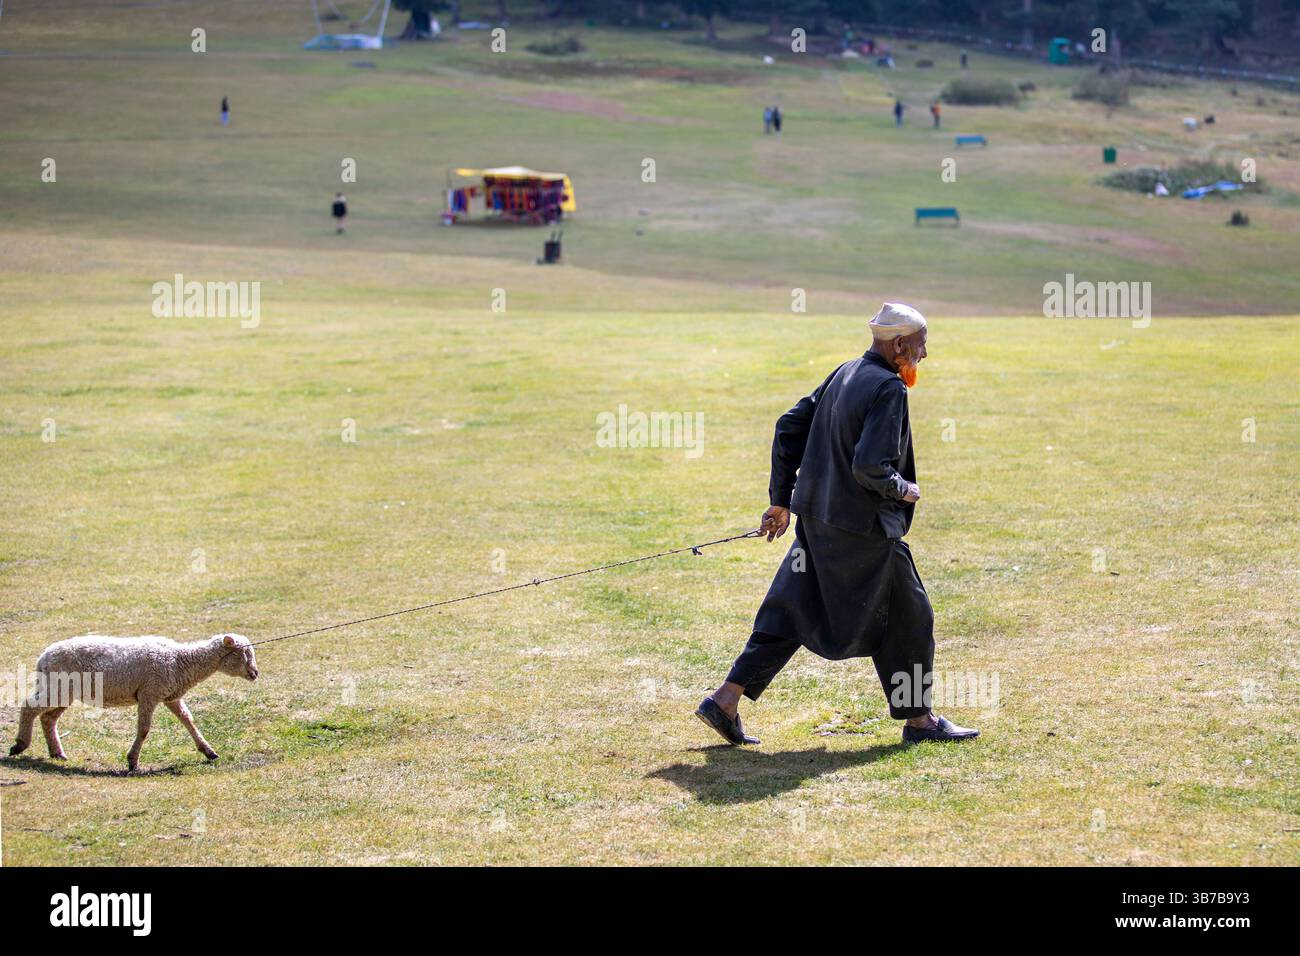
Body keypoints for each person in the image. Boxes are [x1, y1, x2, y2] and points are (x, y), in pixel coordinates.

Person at [695, 303, 979, 747]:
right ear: (899, 344)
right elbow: (871, 467)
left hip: (817, 520)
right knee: (910, 615)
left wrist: (781, 500)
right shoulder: (888, 388)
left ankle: (725, 700)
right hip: (861, 531)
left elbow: (789, 425)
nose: (925, 353)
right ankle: (920, 720)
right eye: (921, 344)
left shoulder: (845, 372)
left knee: (791, 608)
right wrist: (902, 488)